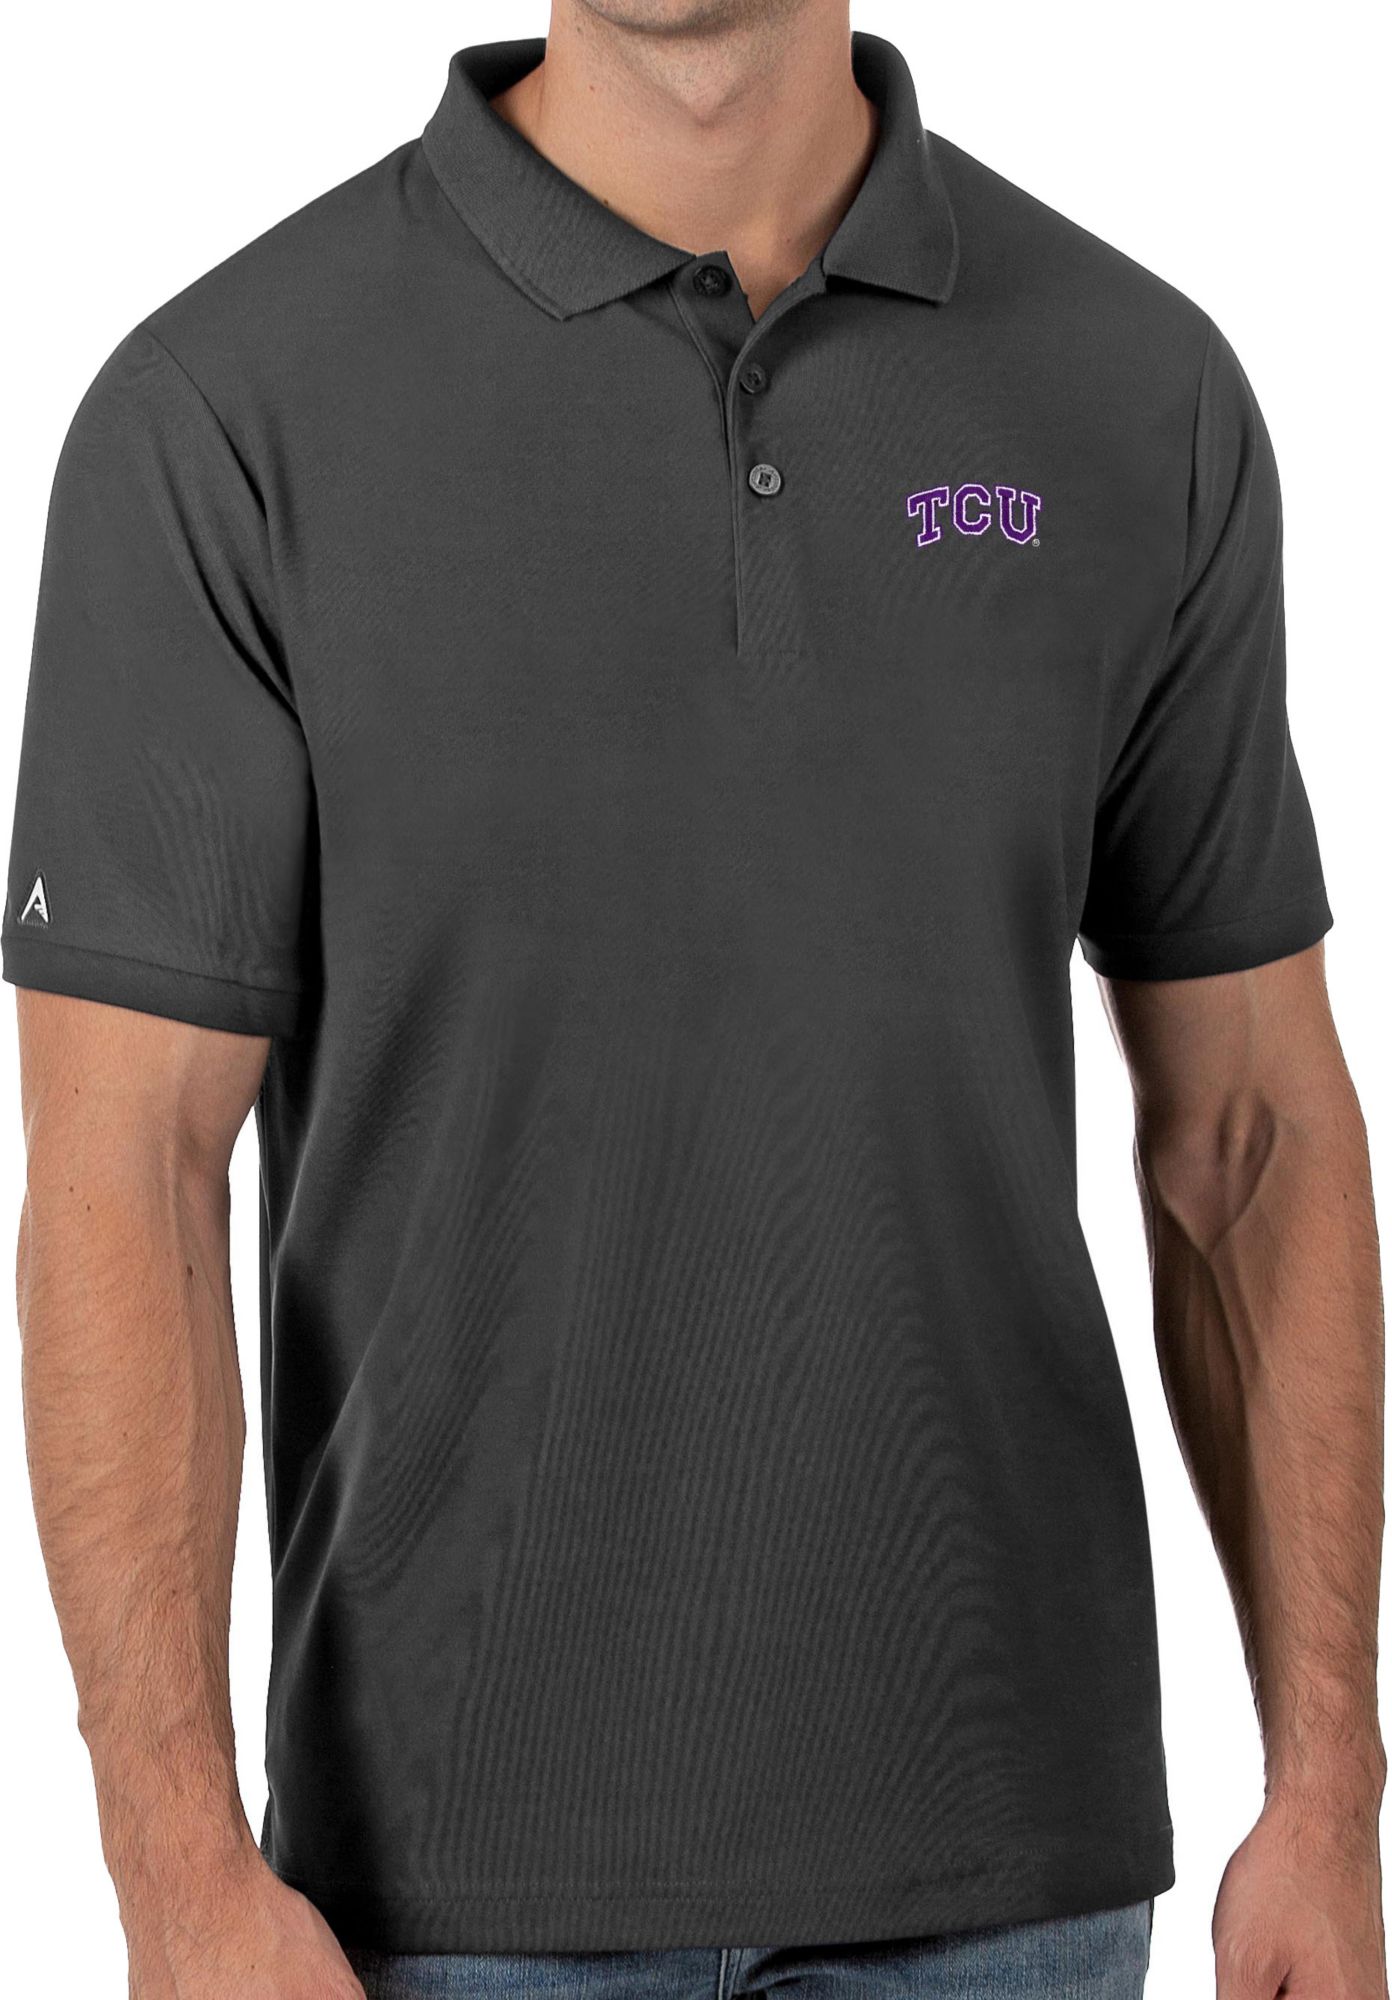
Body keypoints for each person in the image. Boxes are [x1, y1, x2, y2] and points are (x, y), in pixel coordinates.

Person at [5, 0, 1384, 1995]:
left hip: (1012, 1876)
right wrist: (172, 1869)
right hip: (437, 1908)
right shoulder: (225, 409)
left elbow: (1253, 1132)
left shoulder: (1131, 386)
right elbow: (124, 1171)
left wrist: (1332, 1790)